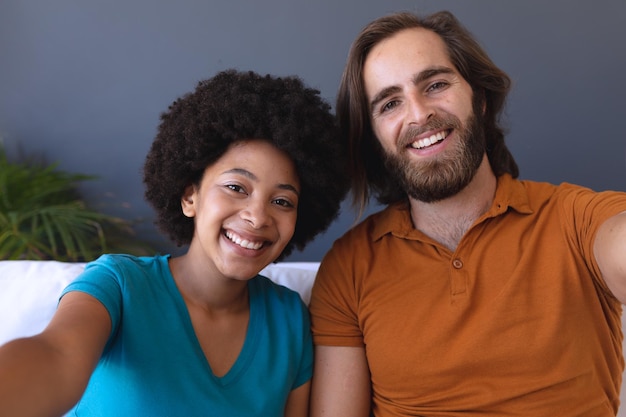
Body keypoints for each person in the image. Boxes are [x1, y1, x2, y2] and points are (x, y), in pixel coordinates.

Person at [308, 10, 626, 417]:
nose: (419, 114)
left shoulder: (575, 219)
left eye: (436, 84)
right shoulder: (350, 266)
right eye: (390, 104)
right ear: (374, 138)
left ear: (479, 97)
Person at [0, 69, 349, 416]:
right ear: (189, 197)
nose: (258, 217)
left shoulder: (289, 320)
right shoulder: (119, 285)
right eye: (236, 188)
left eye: (282, 201)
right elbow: (57, 356)